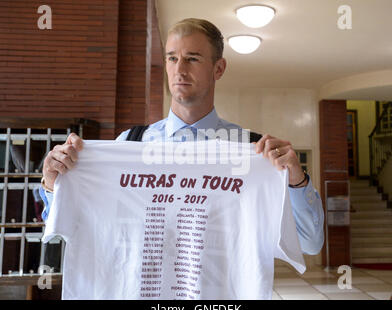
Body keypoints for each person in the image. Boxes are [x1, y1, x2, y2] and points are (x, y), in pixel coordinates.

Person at [39, 18, 324, 255]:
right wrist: (53, 184)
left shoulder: (253, 151)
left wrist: (297, 181)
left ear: (218, 68)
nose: (179, 69)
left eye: (192, 58)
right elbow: (67, 230)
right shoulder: (129, 144)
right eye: (172, 58)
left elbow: (310, 244)